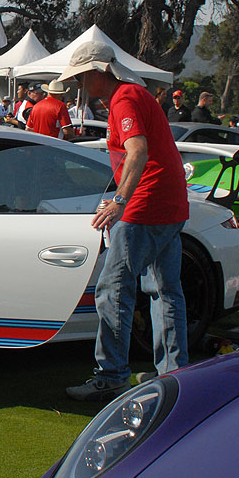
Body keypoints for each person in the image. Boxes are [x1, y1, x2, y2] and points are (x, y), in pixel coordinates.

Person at [58, 41, 189, 402]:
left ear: (100, 72)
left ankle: (112, 374)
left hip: (146, 207)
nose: (80, 84)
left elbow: (137, 151)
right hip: (171, 204)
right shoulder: (133, 94)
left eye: (83, 76)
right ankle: (174, 373)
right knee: (165, 291)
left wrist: (119, 200)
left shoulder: (124, 99)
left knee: (113, 289)